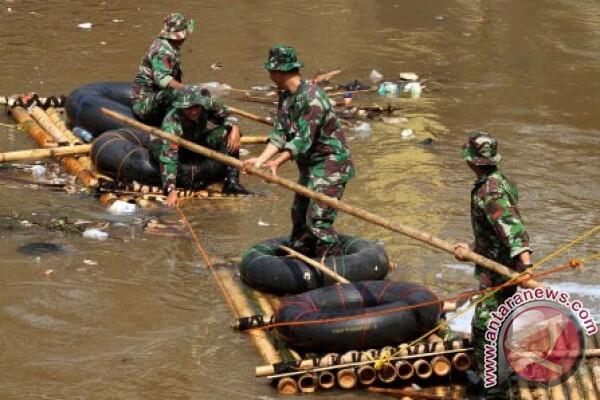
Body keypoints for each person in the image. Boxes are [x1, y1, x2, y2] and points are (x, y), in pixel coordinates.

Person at [243, 45, 355, 258]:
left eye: (270, 71)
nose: (269, 75)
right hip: (310, 165)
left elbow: (302, 140)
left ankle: (331, 264)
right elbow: (280, 133)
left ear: (278, 73)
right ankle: (301, 255)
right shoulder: (286, 96)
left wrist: (277, 163)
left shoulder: (312, 98)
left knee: (319, 219)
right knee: (299, 212)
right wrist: (261, 160)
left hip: (331, 164)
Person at [453, 131, 532, 399]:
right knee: (491, 323)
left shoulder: (491, 191)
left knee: (488, 327)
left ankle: (496, 388)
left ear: (472, 161)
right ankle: (491, 377)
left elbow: (514, 229)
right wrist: (472, 250)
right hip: (491, 267)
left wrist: (526, 267)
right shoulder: (497, 182)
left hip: (501, 273)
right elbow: (493, 230)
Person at [153, 85, 249, 207]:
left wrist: (234, 128)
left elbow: (227, 114)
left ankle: (232, 182)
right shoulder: (171, 124)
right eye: (189, 108)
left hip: (198, 142)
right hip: (182, 151)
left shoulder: (207, 104)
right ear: (181, 108)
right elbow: (169, 158)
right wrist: (171, 190)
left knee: (228, 132)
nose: (194, 112)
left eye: (197, 107)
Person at [132, 13, 195, 125]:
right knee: (179, 95)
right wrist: (187, 89)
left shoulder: (171, 47)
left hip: (156, 97)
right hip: (145, 102)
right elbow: (163, 80)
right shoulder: (162, 51)